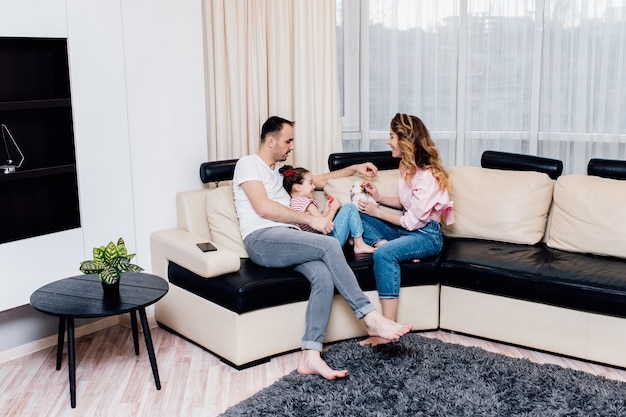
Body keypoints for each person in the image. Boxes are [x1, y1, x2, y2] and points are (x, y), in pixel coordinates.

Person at [233, 116, 412, 380]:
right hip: (262, 239)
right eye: (288, 140)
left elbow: (321, 179)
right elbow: (263, 207)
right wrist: (311, 219)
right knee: (328, 245)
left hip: (288, 240)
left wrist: (355, 167)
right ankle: (369, 316)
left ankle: (310, 355)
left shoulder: (281, 173)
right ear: (270, 140)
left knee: (323, 275)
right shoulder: (248, 164)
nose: (292, 146)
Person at [356, 113, 454, 346]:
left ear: (405, 140)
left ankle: (385, 328)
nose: (388, 142)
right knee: (357, 215)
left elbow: (413, 222)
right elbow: (405, 204)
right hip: (407, 231)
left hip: (427, 235)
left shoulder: (429, 176)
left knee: (383, 254)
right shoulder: (406, 167)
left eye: (391, 136)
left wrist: (377, 211)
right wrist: (379, 198)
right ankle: (393, 247)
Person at [279, 164, 376, 254]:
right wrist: (333, 209)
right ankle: (359, 244)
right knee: (349, 208)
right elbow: (324, 225)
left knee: (334, 212)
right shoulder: (307, 203)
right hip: (327, 243)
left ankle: (351, 239)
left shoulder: (293, 204)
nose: (314, 186)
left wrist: (326, 210)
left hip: (315, 244)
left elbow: (317, 221)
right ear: (298, 187)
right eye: (310, 183)